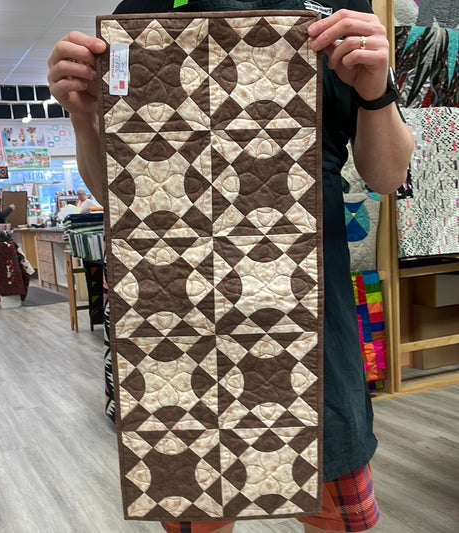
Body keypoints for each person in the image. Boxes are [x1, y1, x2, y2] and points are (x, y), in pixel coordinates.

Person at [47, 1, 414, 532]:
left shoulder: (336, 11)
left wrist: (378, 89)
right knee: (197, 511)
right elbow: (122, 197)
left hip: (310, 324)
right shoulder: (142, 15)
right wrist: (84, 115)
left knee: (337, 511)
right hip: (183, 325)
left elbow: (386, 176)